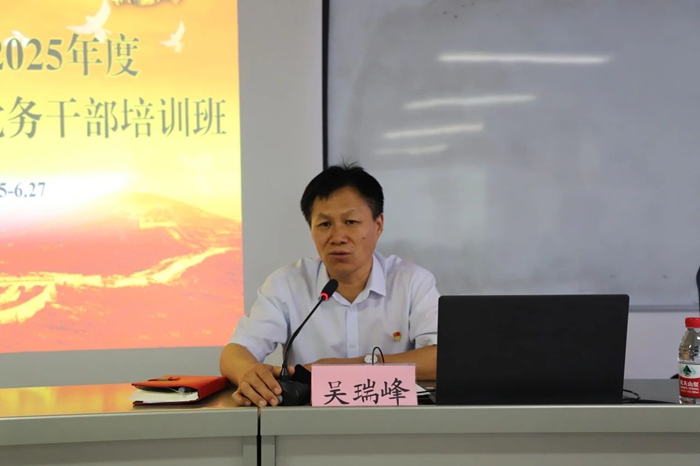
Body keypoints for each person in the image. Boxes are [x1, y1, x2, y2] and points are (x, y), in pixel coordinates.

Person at [219, 163, 439, 407]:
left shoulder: (412, 282)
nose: (338, 237)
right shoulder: (287, 284)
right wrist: (249, 374)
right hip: (310, 424)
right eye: (325, 224)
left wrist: (349, 367)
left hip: (397, 421)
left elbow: (440, 359)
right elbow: (235, 353)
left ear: (378, 225)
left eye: (351, 222)